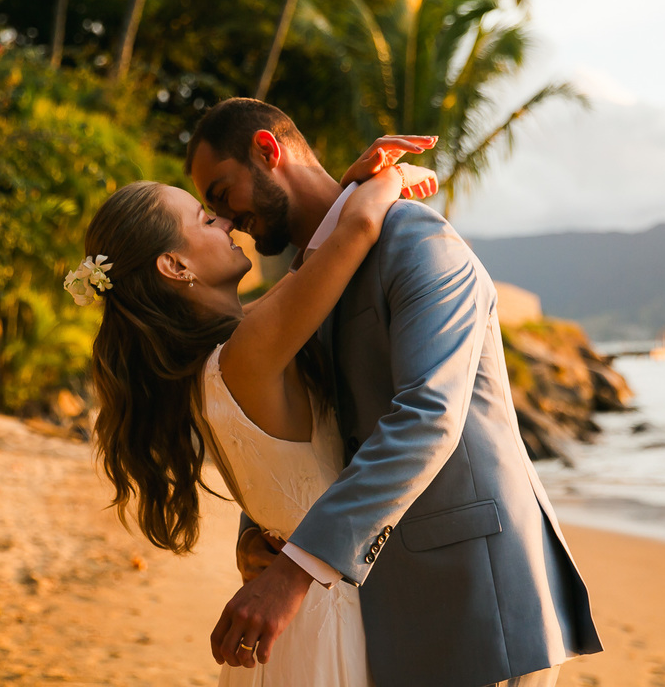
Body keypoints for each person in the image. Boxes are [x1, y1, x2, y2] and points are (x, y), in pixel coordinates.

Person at [186, 98, 603, 687]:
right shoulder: (306, 284)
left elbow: (429, 415)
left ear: (267, 149)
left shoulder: (414, 238)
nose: (227, 219)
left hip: (477, 592)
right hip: (382, 610)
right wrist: (262, 532)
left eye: (223, 193)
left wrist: (297, 569)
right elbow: (291, 434)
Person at [72, 154, 439, 686]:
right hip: (318, 607)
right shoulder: (245, 355)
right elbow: (355, 229)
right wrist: (393, 176)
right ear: (175, 267)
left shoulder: (211, 364)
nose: (224, 223)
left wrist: (345, 186)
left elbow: (308, 267)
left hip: (294, 610)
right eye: (202, 219)